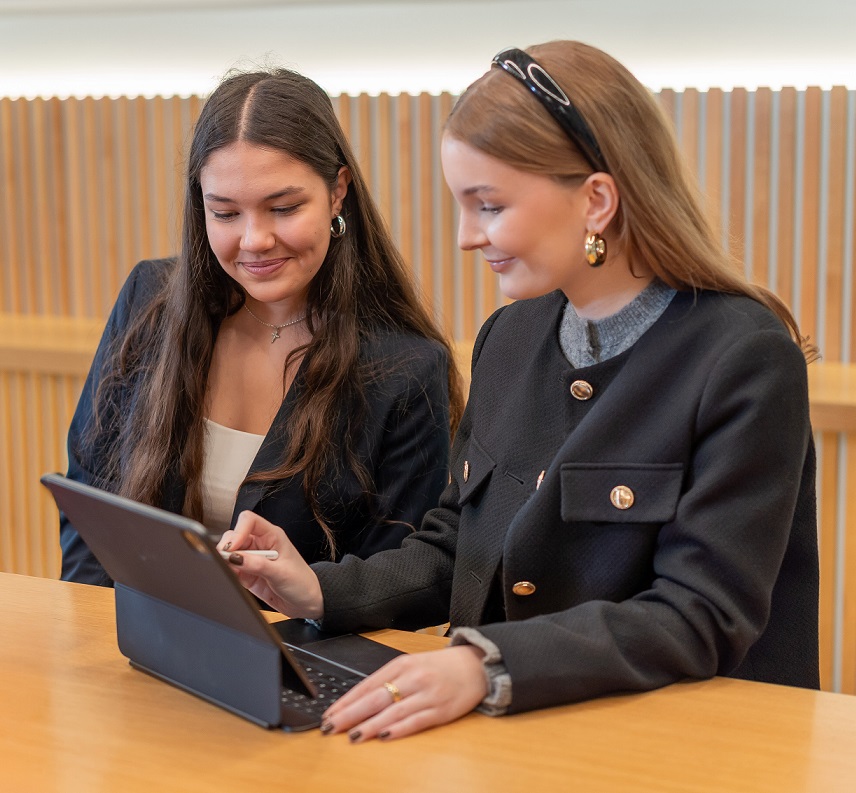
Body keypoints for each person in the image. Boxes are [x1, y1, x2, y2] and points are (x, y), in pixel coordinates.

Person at [217, 41, 820, 740]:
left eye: (489, 206)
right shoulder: (509, 336)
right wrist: (318, 587)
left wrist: (484, 665)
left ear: (596, 200)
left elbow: (700, 615)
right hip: (518, 736)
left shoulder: (744, 359)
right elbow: (456, 551)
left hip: (688, 749)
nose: (467, 237)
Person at [60, 67, 463, 585]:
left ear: (337, 192)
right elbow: (89, 504)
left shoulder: (405, 368)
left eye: (284, 208)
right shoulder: (148, 300)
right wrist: (94, 623)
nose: (254, 240)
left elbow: (396, 580)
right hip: (133, 630)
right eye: (225, 214)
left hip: (297, 638)